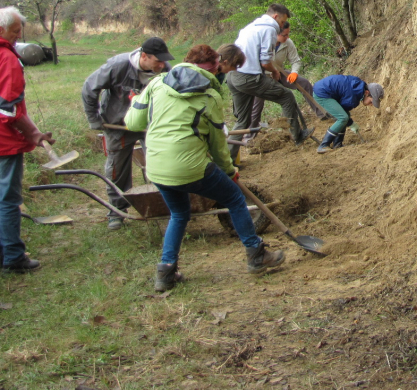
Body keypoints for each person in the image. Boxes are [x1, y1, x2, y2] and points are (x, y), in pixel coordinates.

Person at [125, 47, 285, 291]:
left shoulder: (157, 83)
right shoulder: (209, 95)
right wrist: (230, 171)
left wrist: (138, 101)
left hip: (156, 166)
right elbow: (218, 144)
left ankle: (165, 272)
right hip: (188, 166)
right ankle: (256, 255)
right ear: (213, 66)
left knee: (179, 214)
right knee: (234, 197)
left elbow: (133, 122)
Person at [0, 7, 55, 273]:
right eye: (16, 32)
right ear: (0, 30)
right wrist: (32, 133)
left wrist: (34, 132)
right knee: (7, 198)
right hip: (0, 140)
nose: (19, 36)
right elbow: (6, 109)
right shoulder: (5, 58)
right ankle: (14, 257)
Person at [81, 36, 174, 229]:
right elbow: (89, 88)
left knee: (159, 164)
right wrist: (94, 118)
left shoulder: (164, 70)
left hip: (151, 124)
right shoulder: (118, 66)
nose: (163, 64)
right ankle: (117, 211)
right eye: (158, 60)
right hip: (119, 124)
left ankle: (161, 205)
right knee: (117, 167)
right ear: (144, 56)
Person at [227, 4, 313, 159]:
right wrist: (274, 72)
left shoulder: (250, 27)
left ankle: (228, 161)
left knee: (242, 121)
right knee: (287, 96)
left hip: (233, 76)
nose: (282, 26)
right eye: (282, 21)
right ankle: (297, 136)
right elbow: (265, 61)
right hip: (249, 76)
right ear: (275, 17)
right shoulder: (269, 29)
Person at [247, 22, 326, 127]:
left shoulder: (288, 43)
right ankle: (250, 133)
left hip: (279, 73)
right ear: (275, 34)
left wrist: (294, 72)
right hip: (262, 76)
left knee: (304, 83)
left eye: (288, 34)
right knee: (257, 103)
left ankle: (321, 113)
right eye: (284, 35)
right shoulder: (263, 44)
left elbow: (295, 60)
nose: (287, 37)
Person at [312, 75, 384, 154]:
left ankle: (337, 143)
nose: (371, 105)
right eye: (371, 102)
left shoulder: (358, 88)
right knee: (343, 118)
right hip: (322, 93)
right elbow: (343, 114)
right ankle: (323, 145)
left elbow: (343, 111)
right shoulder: (353, 95)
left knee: (343, 117)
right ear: (367, 92)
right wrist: (351, 123)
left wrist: (350, 122)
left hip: (325, 90)